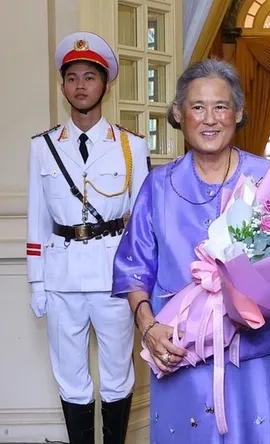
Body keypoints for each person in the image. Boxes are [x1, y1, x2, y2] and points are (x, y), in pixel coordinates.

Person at [111, 58, 270, 443]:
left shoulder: (268, 179)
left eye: (221, 106)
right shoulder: (157, 186)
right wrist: (148, 329)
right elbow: (133, 268)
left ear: (239, 112)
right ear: (178, 114)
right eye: (197, 107)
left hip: (253, 350)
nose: (209, 119)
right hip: (178, 347)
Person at [26, 32, 150, 443]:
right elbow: (37, 218)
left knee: (117, 375)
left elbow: (143, 225)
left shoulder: (131, 146)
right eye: (73, 77)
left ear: (105, 85)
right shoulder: (43, 147)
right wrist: (36, 281)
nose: (81, 85)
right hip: (61, 278)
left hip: (114, 279)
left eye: (90, 77)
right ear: (63, 86)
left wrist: (142, 284)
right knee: (71, 379)